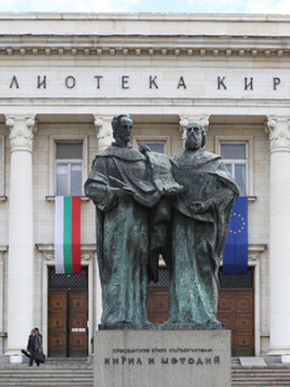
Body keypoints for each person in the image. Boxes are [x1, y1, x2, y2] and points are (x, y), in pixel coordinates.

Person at [84, 114, 168, 329]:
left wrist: (155, 164)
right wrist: (116, 192)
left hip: (139, 222)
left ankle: (137, 316)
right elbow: (92, 187)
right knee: (117, 268)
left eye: (130, 127)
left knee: (138, 268)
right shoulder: (105, 158)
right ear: (114, 128)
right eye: (123, 127)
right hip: (117, 221)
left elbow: (155, 186)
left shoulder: (140, 158)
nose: (127, 131)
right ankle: (115, 316)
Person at [163, 121, 240, 327]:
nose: (193, 134)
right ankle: (179, 315)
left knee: (205, 267)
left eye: (197, 130)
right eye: (190, 130)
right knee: (181, 268)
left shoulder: (213, 162)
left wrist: (207, 204)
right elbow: (163, 184)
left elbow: (229, 190)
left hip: (205, 223)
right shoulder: (174, 162)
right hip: (180, 221)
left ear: (203, 137)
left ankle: (207, 315)